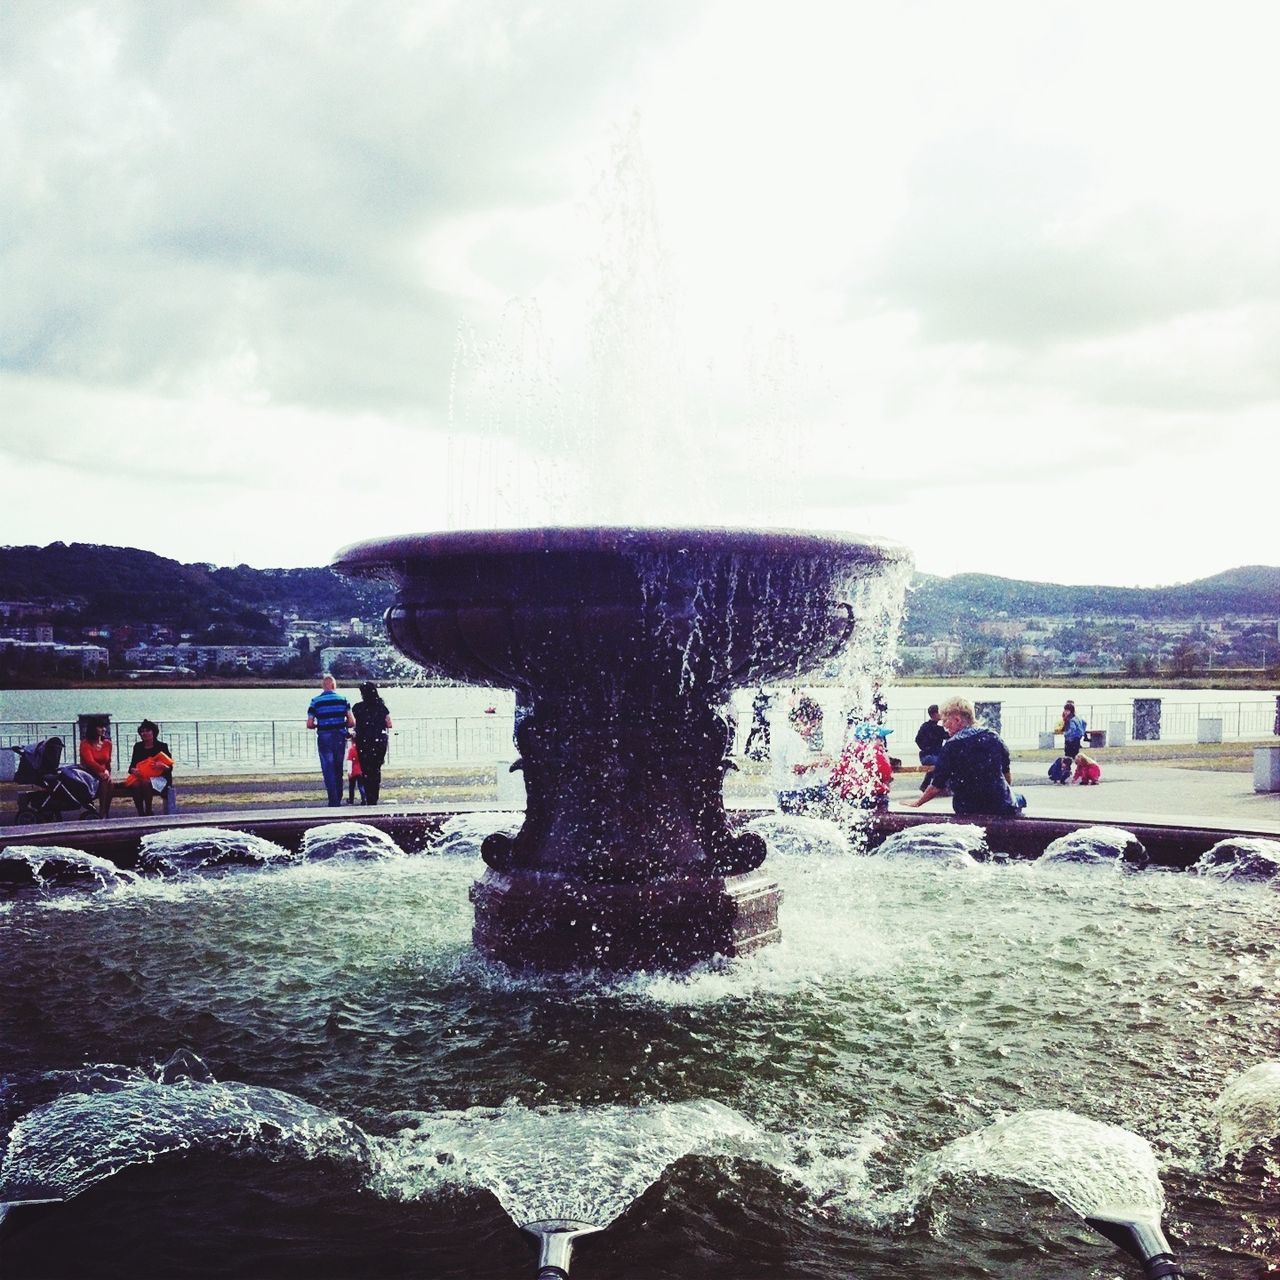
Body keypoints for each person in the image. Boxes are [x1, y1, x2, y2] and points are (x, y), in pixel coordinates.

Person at [904, 697, 1025, 816]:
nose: (944, 726)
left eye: (945, 721)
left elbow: (937, 785)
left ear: (957, 720)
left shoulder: (951, 747)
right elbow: (1006, 773)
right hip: (999, 804)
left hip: (966, 806)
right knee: (1020, 798)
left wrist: (918, 803)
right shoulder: (993, 737)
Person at [773, 694, 832, 814]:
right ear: (801, 718)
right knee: (831, 790)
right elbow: (796, 769)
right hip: (792, 793)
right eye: (812, 726)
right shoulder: (795, 739)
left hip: (781, 790)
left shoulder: (784, 732)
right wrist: (818, 763)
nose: (812, 731)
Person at [308, 675, 355, 807]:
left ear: (323, 686)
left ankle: (333, 800)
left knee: (328, 768)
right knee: (338, 767)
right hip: (340, 737)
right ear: (334, 686)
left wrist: (321, 724)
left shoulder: (315, 701)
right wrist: (340, 723)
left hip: (324, 737)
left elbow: (310, 724)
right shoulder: (343, 700)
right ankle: (338, 797)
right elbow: (351, 722)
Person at [831, 721, 895, 810]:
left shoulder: (849, 754)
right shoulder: (876, 753)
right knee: (878, 817)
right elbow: (886, 776)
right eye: (880, 738)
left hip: (851, 797)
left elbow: (836, 777)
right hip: (874, 798)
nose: (882, 741)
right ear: (869, 739)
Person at [351, 681, 392, 805]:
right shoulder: (382, 707)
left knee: (366, 770)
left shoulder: (357, 708)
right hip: (379, 741)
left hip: (364, 741)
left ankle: (368, 797)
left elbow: (354, 723)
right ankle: (374, 796)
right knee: (376, 769)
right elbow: (389, 723)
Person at [125, 719, 174, 816]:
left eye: (147, 730)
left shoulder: (162, 746)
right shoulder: (138, 746)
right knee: (136, 785)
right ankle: (140, 812)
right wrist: (133, 770)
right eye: (142, 731)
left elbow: (170, 768)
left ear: (153, 732)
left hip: (160, 778)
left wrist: (162, 766)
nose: (144, 733)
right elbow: (131, 766)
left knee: (145, 782)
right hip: (142, 776)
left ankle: (148, 810)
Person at [78, 717, 114, 818]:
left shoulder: (107, 744)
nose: (103, 729)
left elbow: (108, 762)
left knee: (109, 783)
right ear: (93, 729)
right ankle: (102, 812)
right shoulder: (85, 744)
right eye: (100, 727)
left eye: (104, 727)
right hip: (89, 773)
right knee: (104, 780)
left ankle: (105, 811)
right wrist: (102, 771)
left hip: (104, 775)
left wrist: (107, 773)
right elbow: (89, 762)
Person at [914, 704, 948, 792]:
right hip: (928, 755)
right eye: (939, 713)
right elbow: (918, 739)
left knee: (941, 763)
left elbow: (918, 739)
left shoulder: (934, 728)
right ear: (934, 714)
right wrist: (927, 748)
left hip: (931, 754)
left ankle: (929, 785)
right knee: (940, 764)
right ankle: (939, 786)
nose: (941, 715)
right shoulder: (932, 728)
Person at [743, 688, 772, 761]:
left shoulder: (760, 700)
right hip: (759, 721)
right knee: (760, 734)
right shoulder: (760, 700)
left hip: (761, 720)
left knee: (764, 735)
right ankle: (749, 749)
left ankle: (764, 750)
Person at [345, 736, 366, 804]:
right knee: (361, 786)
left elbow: (349, 761)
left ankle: (351, 800)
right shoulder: (361, 749)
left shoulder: (351, 750)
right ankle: (364, 798)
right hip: (360, 770)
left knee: (351, 787)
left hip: (353, 771)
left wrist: (349, 771)